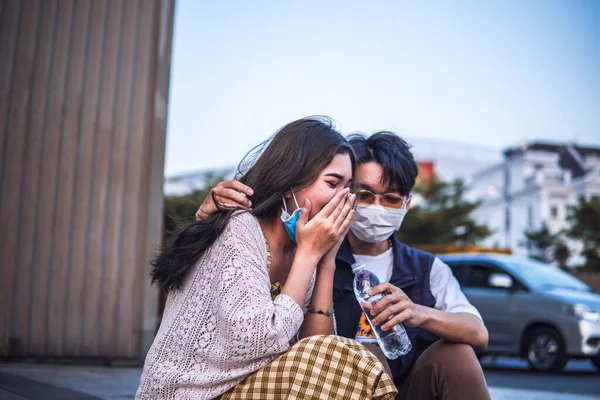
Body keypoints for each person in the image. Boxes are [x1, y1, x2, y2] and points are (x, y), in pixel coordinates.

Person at [198, 131, 491, 400]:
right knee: (368, 356)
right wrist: (208, 220)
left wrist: (419, 314)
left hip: (409, 389)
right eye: (364, 195)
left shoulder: (426, 269)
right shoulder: (309, 248)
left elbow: (477, 333)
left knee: (457, 354)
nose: (376, 207)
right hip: (337, 388)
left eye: (390, 199)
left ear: (407, 204)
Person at [137, 117, 398, 400]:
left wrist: (325, 262)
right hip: (191, 394)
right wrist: (309, 255)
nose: (343, 198)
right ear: (290, 183)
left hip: (249, 388)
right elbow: (259, 339)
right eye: (333, 183)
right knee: (342, 358)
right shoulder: (239, 227)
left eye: (348, 188)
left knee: (356, 358)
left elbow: (315, 345)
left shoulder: (303, 249)